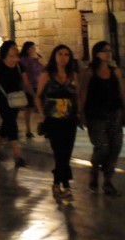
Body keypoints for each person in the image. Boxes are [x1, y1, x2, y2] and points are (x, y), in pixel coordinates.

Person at [34, 45, 79, 205]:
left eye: (67, 54)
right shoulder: (47, 75)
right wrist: (42, 114)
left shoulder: (73, 75)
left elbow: (77, 96)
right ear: (54, 56)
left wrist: (79, 113)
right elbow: (38, 96)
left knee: (66, 153)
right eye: (60, 54)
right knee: (59, 151)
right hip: (53, 119)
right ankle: (66, 186)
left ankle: (56, 182)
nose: (63, 57)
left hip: (70, 119)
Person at [0, 41, 34, 168]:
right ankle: (18, 156)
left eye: (16, 47)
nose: (15, 49)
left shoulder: (19, 65)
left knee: (7, 124)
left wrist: (34, 95)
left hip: (15, 100)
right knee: (11, 124)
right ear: (6, 50)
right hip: (2, 99)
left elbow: (26, 82)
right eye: (13, 48)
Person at [79, 41, 124, 196]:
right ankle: (94, 171)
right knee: (102, 147)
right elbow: (83, 93)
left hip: (114, 113)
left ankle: (107, 181)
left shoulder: (115, 71)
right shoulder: (90, 72)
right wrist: (81, 113)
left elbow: (121, 91)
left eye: (110, 50)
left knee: (116, 146)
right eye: (104, 50)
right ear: (97, 53)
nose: (108, 53)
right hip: (96, 115)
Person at [19, 42, 44, 138]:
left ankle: (43, 127)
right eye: (33, 47)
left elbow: (45, 67)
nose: (35, 49)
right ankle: (28, 129)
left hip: (39, 85)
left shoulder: (37, 59)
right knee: (29, 108)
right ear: (28, 49)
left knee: (38, 107)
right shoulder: (23, 60)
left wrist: (40, 58)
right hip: (29, 86)